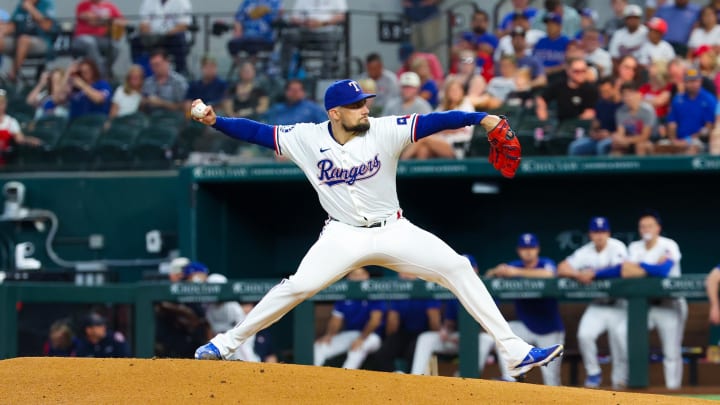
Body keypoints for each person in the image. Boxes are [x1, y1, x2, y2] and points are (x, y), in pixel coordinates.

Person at [190, 78, 562, 379]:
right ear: (334, 113)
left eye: (365, 102)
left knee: (459, 267)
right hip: (343, 234)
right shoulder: (306, 138)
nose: (364, 109)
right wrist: (215, 121)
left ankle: (514, 351)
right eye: (355, 106)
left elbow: (435, 120)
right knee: (298, 286)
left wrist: (480, 117)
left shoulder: (384, 130)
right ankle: (224, 344)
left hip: (393, 230)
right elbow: (256, 131)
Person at [577, 211, 685, 390]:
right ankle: (632, 383)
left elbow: (663, 271)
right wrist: (650, 267)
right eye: (642, 226)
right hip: (645, 306)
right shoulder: (635, 247)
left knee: (671, 352)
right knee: (621, 331)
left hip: (669, 304)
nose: (646, 229)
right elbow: (625, 271)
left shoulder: (669, 245)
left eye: (650, 225)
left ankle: (674, 391)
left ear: (658, 228)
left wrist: (640, 267)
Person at [484, 233, 565, 386]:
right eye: (524, 248)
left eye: (531, 248)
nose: (528, 251)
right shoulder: (514, 265)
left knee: (552, 380)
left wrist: (515, 272)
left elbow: (550, 274)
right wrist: (496, 271)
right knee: (504, 334)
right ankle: (510, 377)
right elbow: (488, 276)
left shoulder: (545, 263)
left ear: (537, 249)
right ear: (519, 250)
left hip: (549, 328)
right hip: (526, 326)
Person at [558, 216, 629, 389]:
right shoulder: (585, 251)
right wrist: (577, 274)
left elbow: (622, 269)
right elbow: (561, 267)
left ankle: (620, 379)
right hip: (598, 305)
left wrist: (594, 274)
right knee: (584, 335)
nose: (599, 235)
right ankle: (593, 373)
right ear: (590, 234)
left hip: (619, 304)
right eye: (596, 232)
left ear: (608, 233)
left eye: (603, 231)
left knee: (619, 341)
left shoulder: (617, 246)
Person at [314, 267, 385, 370]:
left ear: (367, 276)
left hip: (372, 336)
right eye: (355, 275)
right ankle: (312, 379)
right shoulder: (345, 295)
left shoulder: (373, 293)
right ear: (349, 277)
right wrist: (329, 335)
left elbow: (375, 321)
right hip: (352, 333)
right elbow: (336, 320)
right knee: (320, 346)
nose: (358, 278)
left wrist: (361, 339)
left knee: (357, 348)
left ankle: (345, 380)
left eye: (362, 274)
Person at [369, 272, 441, 373]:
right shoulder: (399, 290)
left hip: (423, 332)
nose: (405, 276)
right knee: (382, 353)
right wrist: (390, 340)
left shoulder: (425, 287)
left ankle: (410, 383)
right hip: (404, 332)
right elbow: (393, 322)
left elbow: (434, 320)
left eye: (409, 273)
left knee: (414, 352)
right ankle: (397, 377)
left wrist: (436, 337)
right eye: (402, 273)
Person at [662, 68, 717, 155]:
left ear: (700, 81)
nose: (692, 84)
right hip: (677, 140)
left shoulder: (708, 99)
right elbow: (672, 123)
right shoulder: (678, 99)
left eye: (695, 81)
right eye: (689, 81)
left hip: (699, 141)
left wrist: (688, 140)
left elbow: (708, 127)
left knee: (692, 149)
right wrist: (673, 140)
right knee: (660, 148)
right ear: (685, 82)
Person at [0, 0, 57, 82]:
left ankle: (12, 76)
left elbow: (47, 26)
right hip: (18, 39)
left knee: (24, 40)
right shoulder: (21, 4)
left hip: (42, 41)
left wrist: (31, 9)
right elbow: (13, 25)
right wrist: (2, 31)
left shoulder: (47, 3)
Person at [131, 0, 192, 75]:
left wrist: (166, 34)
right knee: (135, 40)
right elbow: (143, 23)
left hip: (171, 36)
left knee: (178, 38)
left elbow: (183, 25)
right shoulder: (148, 2)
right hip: (153, 36)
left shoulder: (182, 2)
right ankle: (138, 71)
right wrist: (150, 34)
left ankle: (181, 71)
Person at [567, 77, 621, 156]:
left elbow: (626, 130)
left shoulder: (623, 106)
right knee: (575, 147)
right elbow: (594, 125)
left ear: (615, 88)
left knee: (602, 146)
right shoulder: (600, 104)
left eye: (607, 91)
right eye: (602, 92)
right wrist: (594, 134)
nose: (604, 94)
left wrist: (609, 135)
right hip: (599, 138)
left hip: (614, 138)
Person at [72, 0, 125, 78]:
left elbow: (122, 22)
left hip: (101, 38)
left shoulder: (109, 6)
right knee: (90, 43)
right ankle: (101, 74)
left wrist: (111, 20)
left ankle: (105, 69)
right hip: (82, 38)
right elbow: (90, 20)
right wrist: (104, 20)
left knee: (115, 46)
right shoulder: (83, 5)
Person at [535, 57, 597, 124]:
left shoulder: (590, 89)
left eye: (583, 71)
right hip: (559, 123)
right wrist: (543, 115)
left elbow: (590, 112)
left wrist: (571, 124)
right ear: (568, 71)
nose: (580, 74)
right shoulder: (559, 85)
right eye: (576, 71)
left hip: (580, 125)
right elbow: (542, 99)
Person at [608, 82, 656, 156]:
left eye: (630, 94)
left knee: (640, 146)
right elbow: (621, 132)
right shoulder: (620, 111)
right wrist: (618, 138)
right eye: (625, 95)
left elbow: (645, 136)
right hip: (629, 140)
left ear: (638, 94)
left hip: (650, 141)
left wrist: (626, 140)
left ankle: (642, 167)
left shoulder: (647, 110)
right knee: (616, 148)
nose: (628, 98)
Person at [0, 89, 40, 164]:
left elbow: (20, 139)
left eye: (2, 103)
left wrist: (30, 140)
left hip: (5, 161)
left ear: (5, 104)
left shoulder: (11, 122)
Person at [141, 50, 188, 114]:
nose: (154, 68)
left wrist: (162, 103)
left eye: (157, 64)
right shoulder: (148, 82)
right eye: (152, 65)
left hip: (173, 119)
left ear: (167, 62)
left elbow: (183, 107)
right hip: (152, 119)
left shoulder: (178, 82)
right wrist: (145, 101)